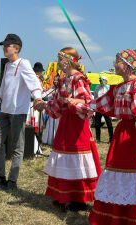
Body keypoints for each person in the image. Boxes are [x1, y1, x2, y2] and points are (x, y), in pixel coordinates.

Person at [84, 49, 136, 225]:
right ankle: (113, 216)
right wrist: (83, 104)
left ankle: (132, 218)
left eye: (117, 61)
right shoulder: (118, 88)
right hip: (121, 132)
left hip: (135, 134)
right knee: (115, 172)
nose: (114, 65)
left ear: (129, 66)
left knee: (132, 173)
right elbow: (99, 103)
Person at [35, 47, 101, 211]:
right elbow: (57, 104)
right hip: (66, 123)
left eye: (60, 59)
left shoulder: (78, 79)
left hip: (77, 125)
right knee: (64, 157)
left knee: (77, 159)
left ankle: (78, 198)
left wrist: (75, 102)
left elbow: (88, 104)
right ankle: (63, 195)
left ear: (69, 60)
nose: (58, 62)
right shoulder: (65, 79)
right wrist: (44, 105)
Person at [0, 34, 43, 190]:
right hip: (4, 110)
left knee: (17, 146)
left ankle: (12, 181)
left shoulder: (24, 64)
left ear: (16, 48)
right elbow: (3, 90)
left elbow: (34, 83)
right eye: (4, 45)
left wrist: (38, 98)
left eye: (7, 46)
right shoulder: (8, 66)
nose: (4, 48)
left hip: (18, 111)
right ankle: (0, 176)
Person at [93, 76, 113, 143]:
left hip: (106, 108)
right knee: (97, 124)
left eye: (103, 80)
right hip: (99, 107)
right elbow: (95, 96)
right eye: (100, 80)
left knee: (109, 124)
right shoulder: (97, 87)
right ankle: (98, 139)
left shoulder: (109, 87)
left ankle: (111, 139)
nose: (101, 82)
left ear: (106, 81)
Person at [42, 75, 60, 146]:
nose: (55, 81)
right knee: (50, 124)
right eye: (54, 80)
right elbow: (45, 94)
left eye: (56, 80)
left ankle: (57, 140)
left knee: (57, 125)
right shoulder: (52, 88)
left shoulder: (60, 89)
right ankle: (49, 140)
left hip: (58, 111)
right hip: (52, 110)